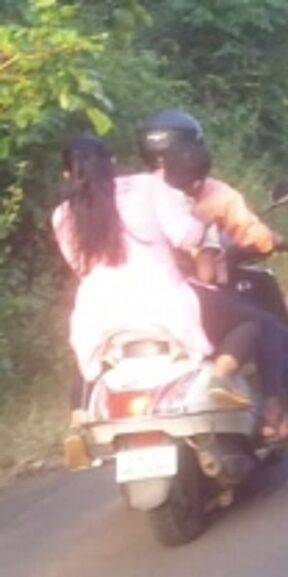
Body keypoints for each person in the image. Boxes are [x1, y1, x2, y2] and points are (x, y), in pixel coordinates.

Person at [53, 136, 260, 466]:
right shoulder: (146, 187)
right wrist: (202, 220)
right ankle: (221, 378)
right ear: (113, 161)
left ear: (67, 175)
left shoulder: (63, 215)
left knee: (87, 360)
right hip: (163, 306)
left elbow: (80, 268)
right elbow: (187, 236)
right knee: (252, 321)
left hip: (100, 316)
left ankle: (78, 421)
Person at [143, 117, 288, 468]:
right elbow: (245, 241)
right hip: (197, 298)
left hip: (142, 303)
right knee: (270, 330)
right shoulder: (209, 197)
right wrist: (275, 242)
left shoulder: (138, 193)